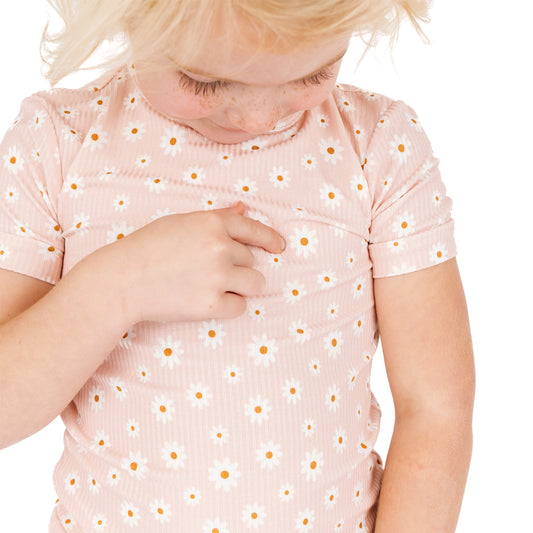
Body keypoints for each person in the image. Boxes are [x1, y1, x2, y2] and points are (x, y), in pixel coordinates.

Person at [0, 0, 475, 531]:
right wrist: (116, 288)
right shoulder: (57, 143)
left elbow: (435, 410)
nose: (259, 118)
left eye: (312, 75)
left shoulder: (378, 145)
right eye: (204, 82)